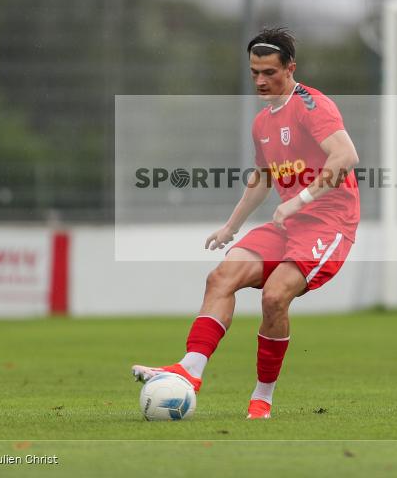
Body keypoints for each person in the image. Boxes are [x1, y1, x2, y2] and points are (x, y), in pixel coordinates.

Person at [132, 27, 360, 419]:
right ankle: (190, 370)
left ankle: (262, 397)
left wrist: (301, 200)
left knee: (274, 296)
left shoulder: (312, 106)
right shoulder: (262, 123)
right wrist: (231, 227)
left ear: (290, 68)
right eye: (254, 71)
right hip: (288, 224)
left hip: (329, 223)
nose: (260, 80)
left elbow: (346, 157)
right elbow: (262, 179)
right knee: (222, 277)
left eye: (269, 72)